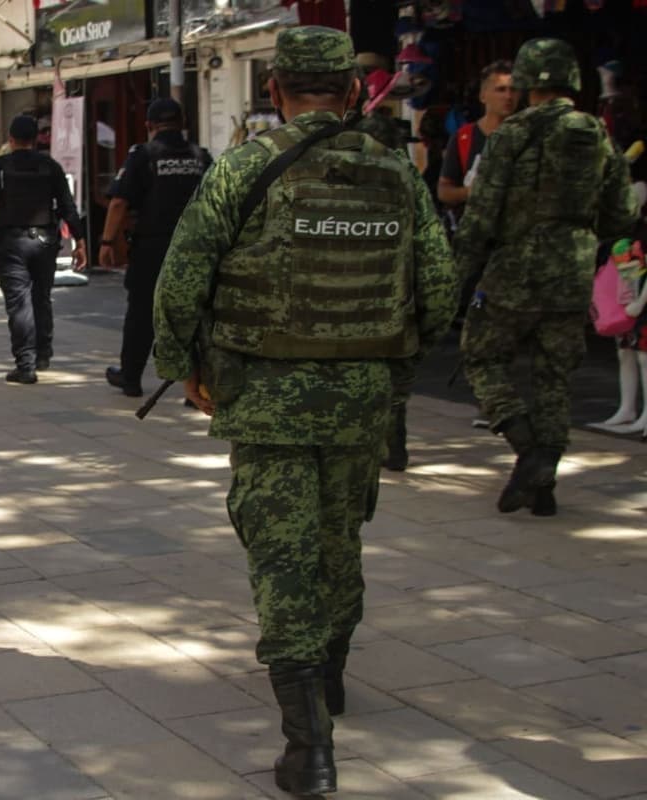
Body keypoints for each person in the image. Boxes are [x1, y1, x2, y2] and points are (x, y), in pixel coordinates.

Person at [153, 27, 456, 796]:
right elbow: (440, 290)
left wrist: (182, 364)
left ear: (273, 89)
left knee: (283, 557)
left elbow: (181, 277)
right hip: (361, 400)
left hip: (265, 399)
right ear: (353, 92)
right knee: (338, 540)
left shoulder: (243, 168)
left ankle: (309, 746)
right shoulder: (395, 171)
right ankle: (332, 676)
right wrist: (392, 369)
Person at [455, 38, 637, 516]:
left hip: (514, 268)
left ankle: (528, 449)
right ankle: (544, 482)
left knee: (481, 357)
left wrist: (458, 273)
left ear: (525, 80)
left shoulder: (512, 134)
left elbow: (481, 214)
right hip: (572, 268)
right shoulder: (596, 133)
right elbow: (622, 213)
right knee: (554, 375)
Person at [99, 98, 211, 397]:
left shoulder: (143, 155)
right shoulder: (201, 156)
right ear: (183, 123)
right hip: (196, 247)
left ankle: (131, 377)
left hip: (153, 248)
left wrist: (107, 242)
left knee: (142, 312)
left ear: (149, 125)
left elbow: (119, 202)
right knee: (195, 314)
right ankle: (199, 385)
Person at [0, 115, 88, 384]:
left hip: (11, 243)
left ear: (11, 139)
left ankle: (25, 364)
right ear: (36, 139)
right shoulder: (50, 166)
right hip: (45, 241)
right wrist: (80, 241)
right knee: (41, 297)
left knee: (19, 303)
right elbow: (67, 207)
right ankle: (43, 353)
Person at [438, 61, 518, 213]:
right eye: (500, 90)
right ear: (483, 96)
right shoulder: (464, 137)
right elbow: (444, 191)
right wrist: (472, 192)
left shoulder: (527, 136)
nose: (508, 96)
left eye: (513, 90)